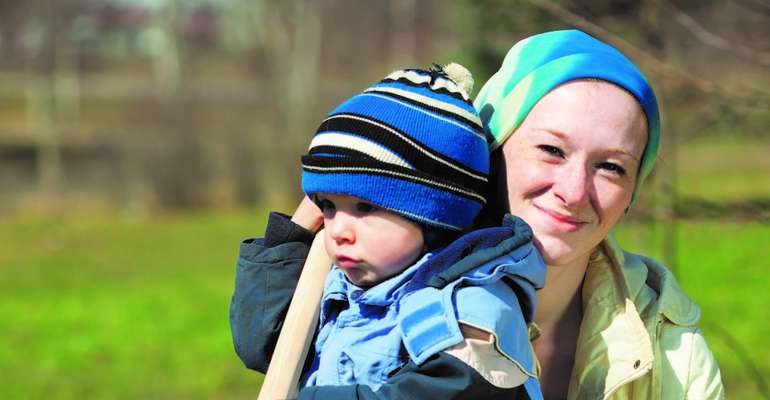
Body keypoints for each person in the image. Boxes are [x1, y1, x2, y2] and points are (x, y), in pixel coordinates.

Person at [230, 64, 547, 399]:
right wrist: (293, 236)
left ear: (434, 215)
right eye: (329, 206)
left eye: (364, 208)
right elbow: (262, 344)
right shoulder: (340, 284)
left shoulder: (470, 304)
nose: (339, 231)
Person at [472, 29, 725, 399]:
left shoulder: (674, 350)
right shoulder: (382, 312)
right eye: (552, 150)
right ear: (491, 149)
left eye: (610, 167)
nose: (573, 192)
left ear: (631, 195)